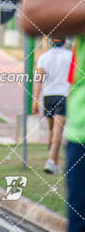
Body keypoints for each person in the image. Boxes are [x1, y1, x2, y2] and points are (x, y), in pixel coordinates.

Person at [20, 0, 85, 232]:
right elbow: (36, 10)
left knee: (54, 126)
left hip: (55, 95)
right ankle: (50, 156)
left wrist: (34, 96)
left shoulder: (50, 55)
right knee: (55, 126)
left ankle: (49, 156)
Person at [32, 38, 72, 174]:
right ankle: (52, 161)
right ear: (65, 41)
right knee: (57, 132)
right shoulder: (70, 56)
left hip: (48, 96)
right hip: (64, 95)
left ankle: (53, 162)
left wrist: (35, 100)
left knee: (52, 130)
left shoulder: (43, 57)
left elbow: (39, 80)